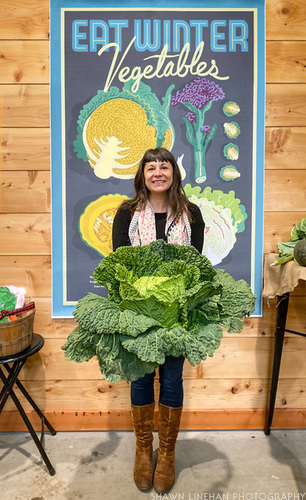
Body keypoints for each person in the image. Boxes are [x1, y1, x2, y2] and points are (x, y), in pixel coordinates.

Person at [112, 147, 205, 493]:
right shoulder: (127, 213)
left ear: (173, 174)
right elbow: (119, 264)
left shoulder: (191, 214)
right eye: (150, 168)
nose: (157, 173)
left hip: (177, 312)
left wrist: (175, 297)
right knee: (139, 380)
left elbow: (195, 266)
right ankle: (142, 450)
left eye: (163, 167)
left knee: (171, 379)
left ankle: (166, 452)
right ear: (142, 175)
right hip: (139, 314)